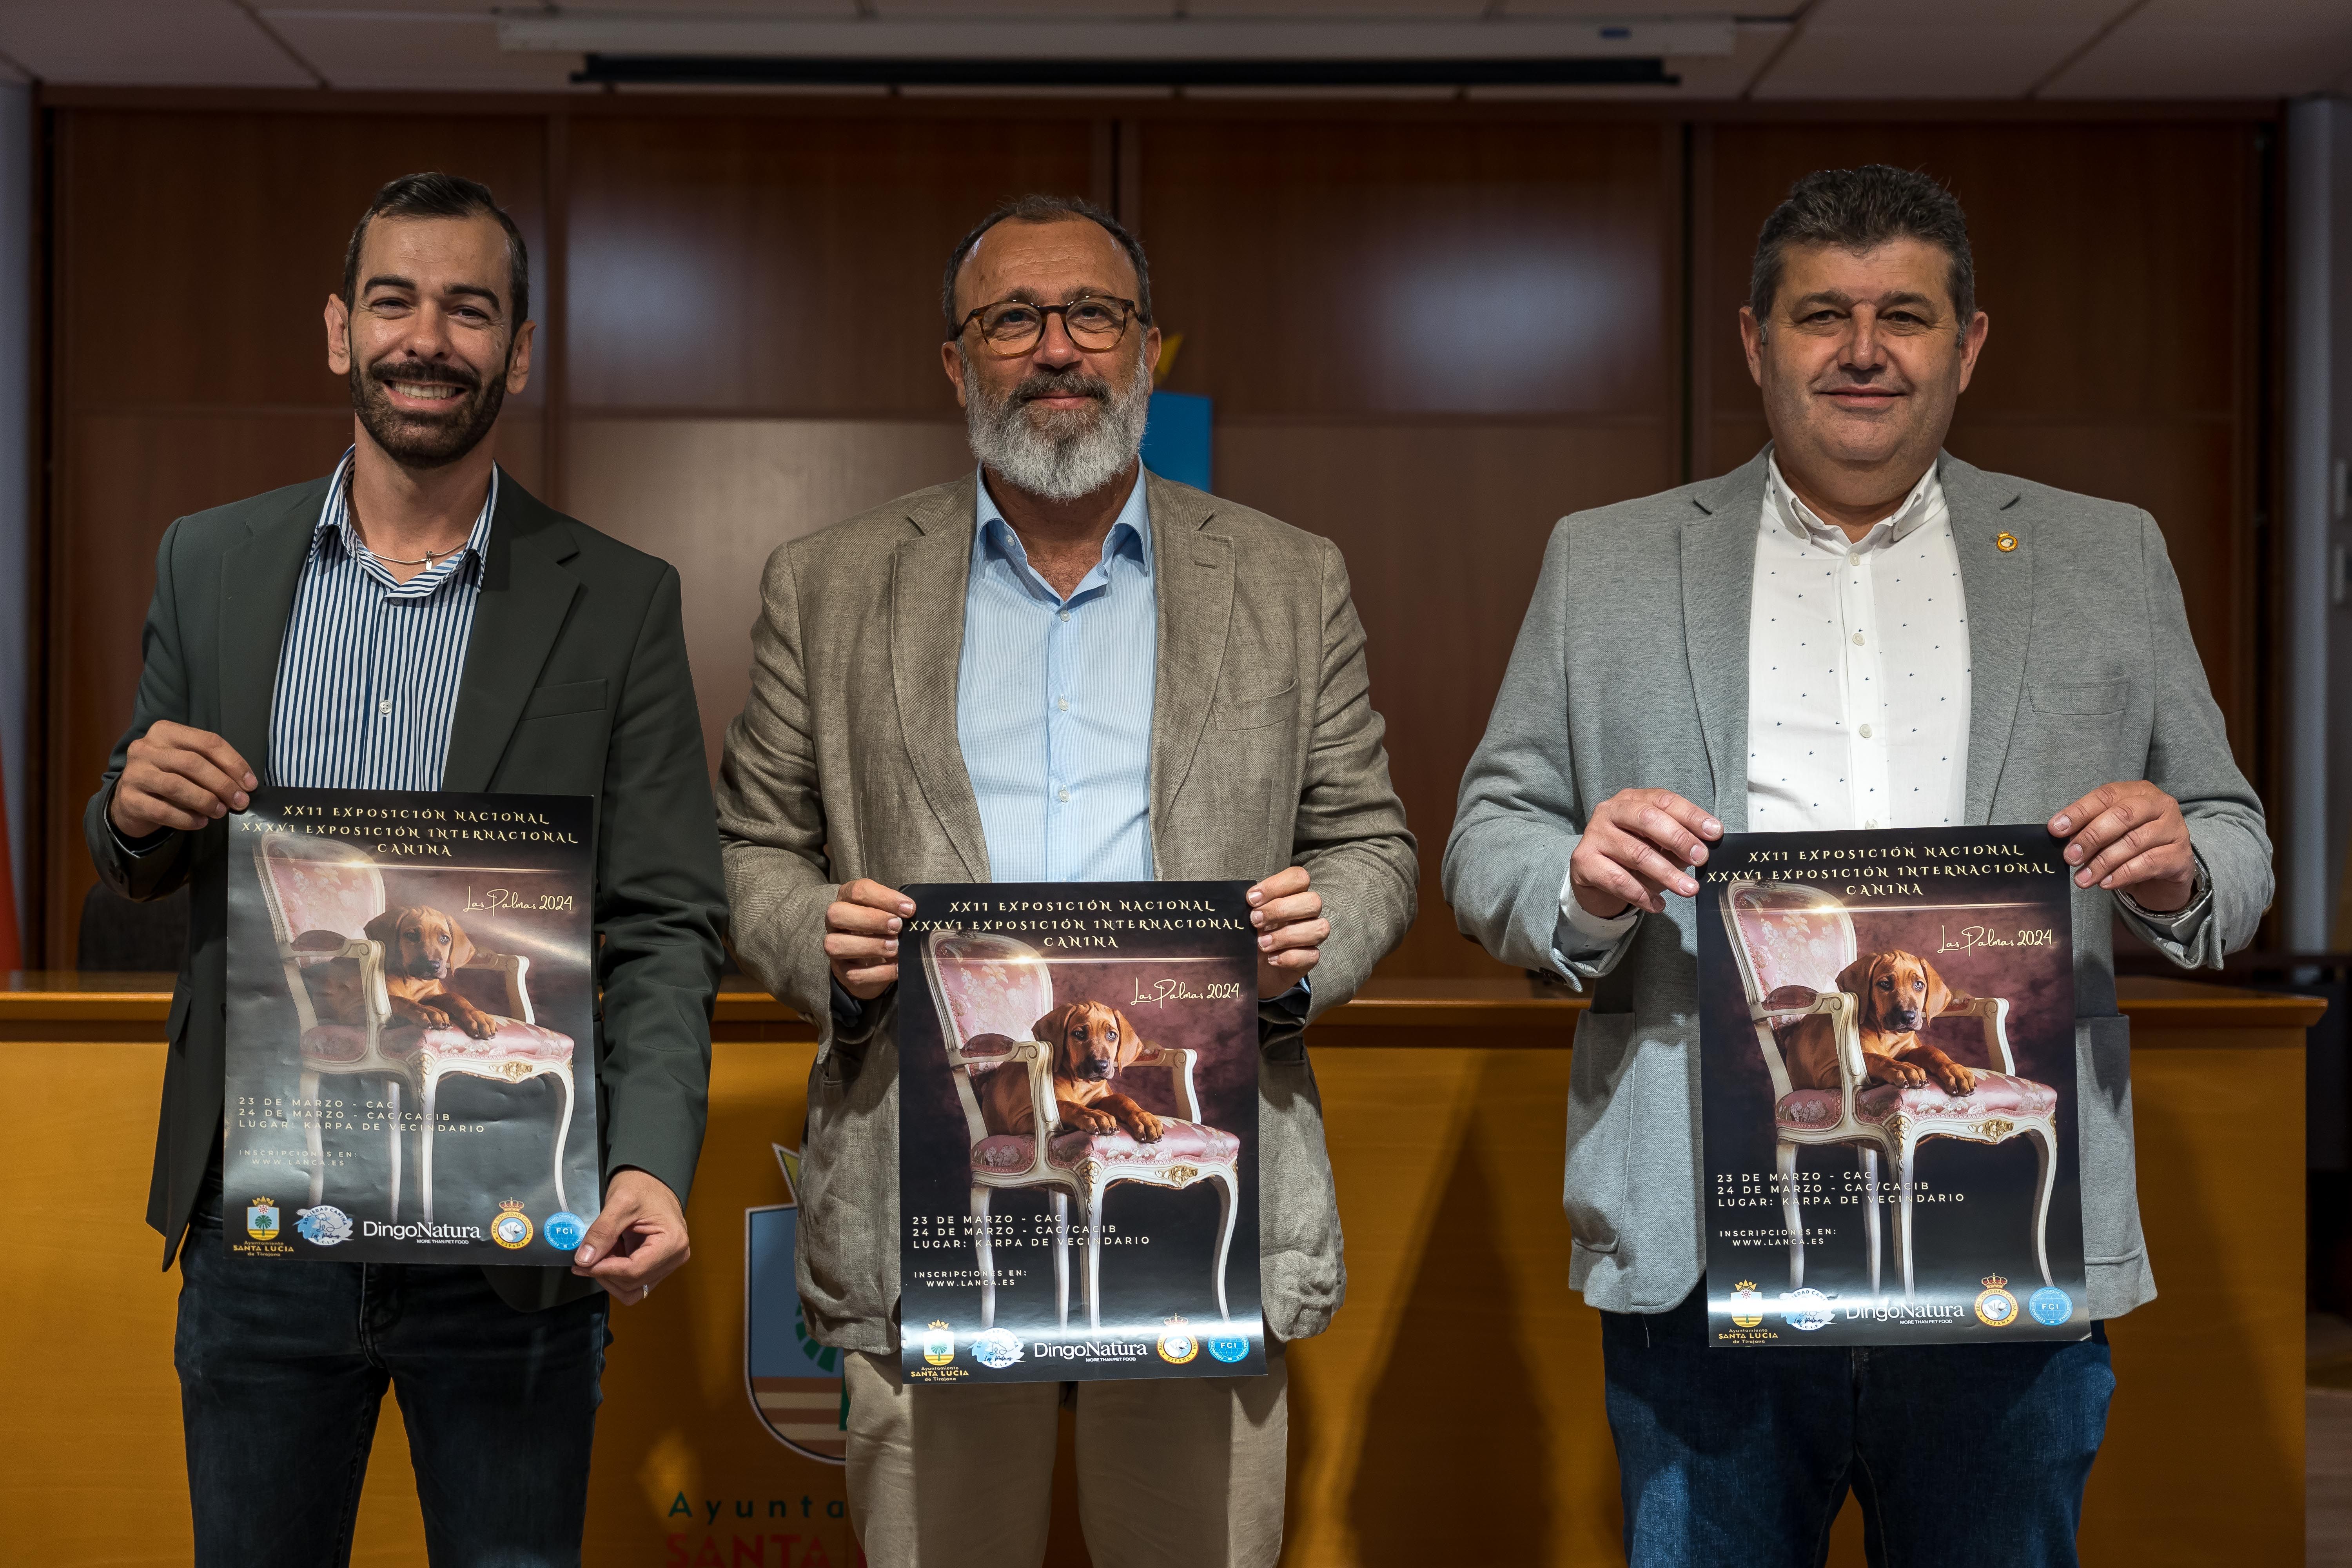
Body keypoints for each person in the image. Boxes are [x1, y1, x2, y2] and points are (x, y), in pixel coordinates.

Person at [1444, 164, 2270, 1565]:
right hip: (1710, 1233)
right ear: (1757, 343)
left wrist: (2180, 869)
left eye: (1907, 314)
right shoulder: (1609, 563)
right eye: (1824, 315)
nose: (1866, 349)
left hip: (2009, 1215)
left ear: (1970, 342)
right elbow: (1488, 836)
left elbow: (2234, 842)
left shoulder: (2103, 555)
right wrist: (1577, 883)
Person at [717, 193, 1416, 1568]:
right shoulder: (829, 582)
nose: (1057, 349)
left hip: (1191, 1189)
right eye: (1012, 320)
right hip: (939, 1184)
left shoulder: (1287, 577)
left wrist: (1314, 935)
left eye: (1093, 315)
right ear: (954, 360)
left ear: (1149, 347)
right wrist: (819, 934)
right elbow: (750, 848)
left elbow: (1374, 841)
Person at [86, 172, 728, 1566]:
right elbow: (135, 848)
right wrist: (133, 810)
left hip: (510, 1232)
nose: (426, 337)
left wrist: (653, 1163)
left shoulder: (617, 599)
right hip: (260, 1222)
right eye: (393, 301)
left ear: (520, 348)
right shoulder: (210, 563)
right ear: (338, 330)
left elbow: (667, 921)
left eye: (468, 308)